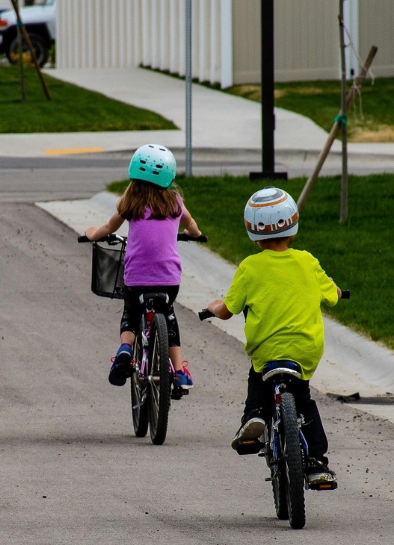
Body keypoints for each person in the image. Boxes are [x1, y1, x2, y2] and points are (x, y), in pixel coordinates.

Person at [205, 187, 339, 490]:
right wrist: (338, 291)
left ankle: (255, 417)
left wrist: (214, 306)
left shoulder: (250, 267)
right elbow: (331, 295)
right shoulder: (307, 261)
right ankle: (317, 464)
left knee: (258, 379)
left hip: (267, 351)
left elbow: (228, 310)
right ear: (293, 224)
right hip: (304, 349)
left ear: (252, 230)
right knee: (302, 398)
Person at [85, 144, 202, 389]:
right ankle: (179, 372)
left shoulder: (131, 202)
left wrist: (92, 233)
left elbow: (108, 229)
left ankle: (126, 348)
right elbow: (191, 225)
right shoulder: (175, 202)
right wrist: (195, 234)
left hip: (136, 279)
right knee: (168, 317)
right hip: (168, 280)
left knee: (131, 311)